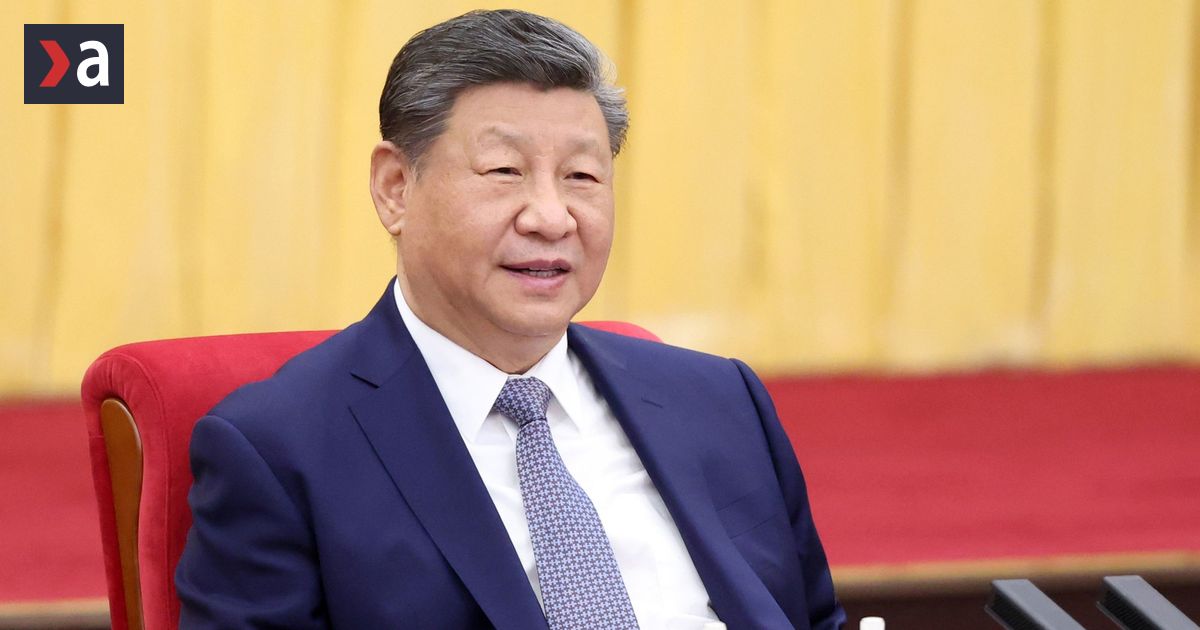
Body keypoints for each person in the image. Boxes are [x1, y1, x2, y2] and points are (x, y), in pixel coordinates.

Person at [175, 9, 845, 630]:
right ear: (395, 188)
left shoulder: (722, 400)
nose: (551, 218)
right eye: (504, 170)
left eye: (582, 177)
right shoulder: (279, 448)